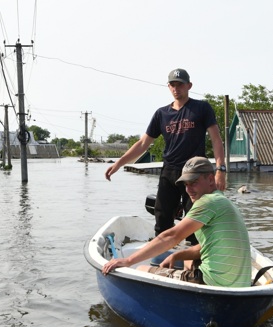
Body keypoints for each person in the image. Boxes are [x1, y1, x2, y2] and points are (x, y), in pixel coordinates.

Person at [105, 68, 227, 238]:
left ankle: (195, 261)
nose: (176, 88)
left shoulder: (201, 108)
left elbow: (216, 139)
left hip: (195, 172)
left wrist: (220, 170)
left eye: (180, 85)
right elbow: (142, 144)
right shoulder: (161, 114)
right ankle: (162, 257)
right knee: (162, 217)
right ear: (169, 87)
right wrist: (119, 163)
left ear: (189, 85)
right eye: (173, 85)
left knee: (195, 219)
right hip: (169, 171)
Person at [102, 157, 251, 288]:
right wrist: (177, 255)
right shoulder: (223, 201)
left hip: (213, 283)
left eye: (194, 182)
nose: (188, 190)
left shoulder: (207, 202)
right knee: (186, 260)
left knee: (141, 268)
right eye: (186, 184)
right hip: (239, 285)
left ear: (211, 180)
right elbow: (208, 246)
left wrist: (128, 260)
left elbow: (172, 236)